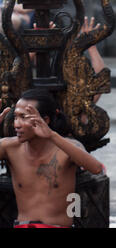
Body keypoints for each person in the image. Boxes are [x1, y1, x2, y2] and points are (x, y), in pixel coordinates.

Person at [0, 89, 104, 228]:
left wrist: (52, 136)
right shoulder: (9, 147)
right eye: (15, 117)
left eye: (24, 117)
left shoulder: (67, 147)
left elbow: (96, 168)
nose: (16, 124)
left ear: (45, 120)